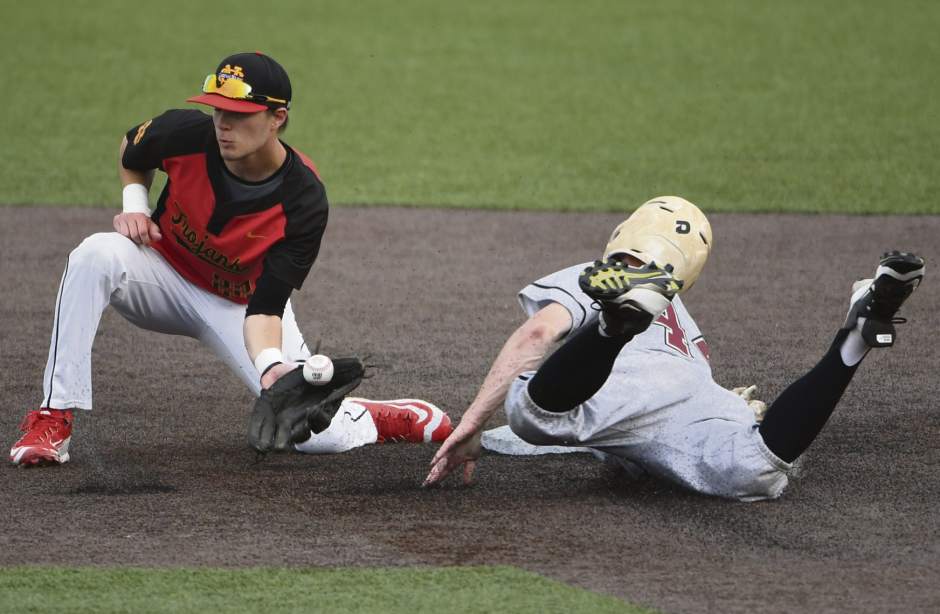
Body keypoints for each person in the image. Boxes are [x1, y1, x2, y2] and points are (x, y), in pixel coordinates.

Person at [10, 52, 450, 467]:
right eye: (218, 110)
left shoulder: (304, 199)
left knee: (316, 437)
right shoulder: (184, 134)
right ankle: (53, 417)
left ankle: (372, 416)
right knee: (93, 253)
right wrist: (136, 206)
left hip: (241, 306)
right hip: (160, 274)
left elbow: (265, 306)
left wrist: (271, 368)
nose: (223, 124)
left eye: (239, 115)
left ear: (277, 118)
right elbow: (132, 149)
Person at [424, 196, 925, 501]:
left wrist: (474, 424)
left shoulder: (590, 277)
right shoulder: (682, 316)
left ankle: (611, 331)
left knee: (531, 410)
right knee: (752, 470)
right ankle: (853, 338)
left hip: (618, 385)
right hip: (694, 390)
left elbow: (538, 336)